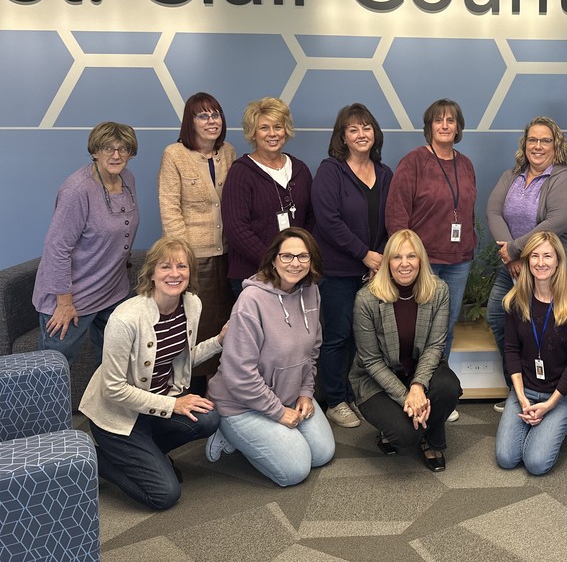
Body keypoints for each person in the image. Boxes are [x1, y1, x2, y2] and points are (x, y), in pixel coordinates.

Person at [80, 237, 223, 510]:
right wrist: (173, 404)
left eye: (182, 266)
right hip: (118, 416)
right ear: (152, 274)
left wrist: (219, 341)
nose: (174, 273)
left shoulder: (191, 304)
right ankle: (101, 460)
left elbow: (181, 358)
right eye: (165, 266)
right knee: (165, 495)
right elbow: (113, 388)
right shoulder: (126, 318)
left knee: (209, 419)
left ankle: (148, 454)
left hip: (154, 407)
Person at [206, 228, 335, 486]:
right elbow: (240, 374)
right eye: (287, 256)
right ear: (274, 260)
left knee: (322, 454)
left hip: (288, 395)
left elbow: (312, 351)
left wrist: (306, 393)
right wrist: (277, 413)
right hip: (241, 404)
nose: (295, 263)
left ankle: (270, 435)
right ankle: (227, 431)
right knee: (296, 470)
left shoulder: (311, 292)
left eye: (303, 257)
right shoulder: (250, 300)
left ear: (312, 262)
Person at [486, 116, 567, 411]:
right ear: (524, 144)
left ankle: (557, 397)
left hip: (556, 270)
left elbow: (555, 222)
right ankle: (520, 388)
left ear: (556, 146)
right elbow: (493, 212)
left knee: (554, 334)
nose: (537, 146)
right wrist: (511, 257)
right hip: (515, 269)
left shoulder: (565, 178)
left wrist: (516, 249)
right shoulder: (511, 176)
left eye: (545, 140)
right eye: (532, 140)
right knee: (498, 317)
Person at [350, 229, 462, 472]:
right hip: (376, 377)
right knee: (405, 436)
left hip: (421, 369)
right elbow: (371, 362)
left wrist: (417, 386)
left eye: (411, 256)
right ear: (387, 261)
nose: (404, 264)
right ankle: (400, 428)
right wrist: (408, 398)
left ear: (420, 260)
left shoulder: (438, 290)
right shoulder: (366, 299)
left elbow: (435, 345)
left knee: (448, 388)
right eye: (397, 257)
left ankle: (431, 440)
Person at [312, 104, 393, 430]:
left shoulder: (385, 173)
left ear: (375, 133)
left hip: (374, 271)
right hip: (338, 271)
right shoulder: (331, 170)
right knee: (338, 336)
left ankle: (360, 393)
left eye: (367, 128)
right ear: (342, 137)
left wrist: (382, 257)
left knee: (369, 338)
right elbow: (328, 220)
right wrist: (365, 254)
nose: (362, 134)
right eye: (354, 129)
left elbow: (393, 220)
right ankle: (335, 400)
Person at [33, 122, 140, 365]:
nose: (116, 155)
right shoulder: (77, 190)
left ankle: (101, 406)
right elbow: (56, 249)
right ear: (94, 151)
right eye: (108, 149)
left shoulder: (127, 178)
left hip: (113, 293)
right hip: (72, 298)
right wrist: (65, 303)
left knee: (113, 369)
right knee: (51, 372)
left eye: (123, 149)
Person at [386, 99, 477, 372]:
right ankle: (412, 387)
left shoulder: (466, 164)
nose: (445, 126)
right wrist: (405, 257)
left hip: (459, 261)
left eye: (451, 121)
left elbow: (467, 209)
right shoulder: (414, 161)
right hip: (422, 261)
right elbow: (396, 212)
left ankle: (437, 388)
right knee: (416, 328)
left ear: (458, 127)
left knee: (445, 328)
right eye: (439, 120)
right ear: (430, 127)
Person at [158, 92, 236, 390]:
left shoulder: (228, 152)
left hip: (228, 255)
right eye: (203, 115)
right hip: (194, 259)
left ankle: (223, 391)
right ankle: (190, 391)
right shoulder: (174, 154)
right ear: (190, 122)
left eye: (215, 114)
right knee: (196, 326)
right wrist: (182, 260)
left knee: (226, 325)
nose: (211, 121)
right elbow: (170, 208)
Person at [495, 231, 567, 476]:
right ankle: (532, 419)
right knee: (506, 458)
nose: (540, 262)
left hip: (560, 394)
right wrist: (521, 397)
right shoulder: (515, 301)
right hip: (524, 390)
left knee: (536, 464)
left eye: (547, 256)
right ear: (527, 261)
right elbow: (512, 351)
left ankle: (559, 419)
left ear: (558, 260)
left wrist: (549, 405)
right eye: (534, 256)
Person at [223, 96, 315, 296]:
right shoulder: (241, 172)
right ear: (253, 133)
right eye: (264, 128)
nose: (272, 134)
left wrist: (296, 261)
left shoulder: (300, 169)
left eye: (278, 127)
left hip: (296, 274)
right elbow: (236, 228)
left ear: (286, 130)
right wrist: (275, 262)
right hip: (253, 276)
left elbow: (311, 220)